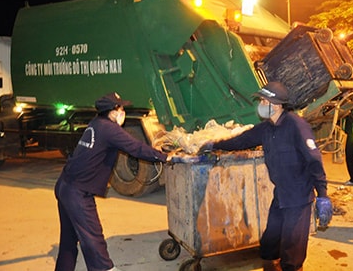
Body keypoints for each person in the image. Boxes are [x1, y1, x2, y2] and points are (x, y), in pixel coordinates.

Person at [201, 81, 332, 271]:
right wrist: (214, 145)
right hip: (281, 195)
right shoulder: (266, 128)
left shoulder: (296, 125)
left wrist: (323, 194)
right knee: (269, 244)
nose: (260, 105)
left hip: (299, 198)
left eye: (263, 100)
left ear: (276, 104)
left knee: (292, 253)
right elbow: (241, 140)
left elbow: (314, 160)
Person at [54, 92, 175, 271]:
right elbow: (136, 147)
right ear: (112, 111)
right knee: (94, 241)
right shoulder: (109, 129)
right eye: (121, 108)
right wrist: (165, 157)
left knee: (69, 241)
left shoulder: (96, 123)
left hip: (64, 185)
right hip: (77, 193)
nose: (123, 111)